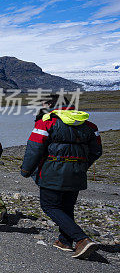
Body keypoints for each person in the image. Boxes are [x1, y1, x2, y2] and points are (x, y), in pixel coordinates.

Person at [21, 96, 102, 259]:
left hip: (53, 171)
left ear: (52, 105)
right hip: (77, 173)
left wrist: (26, 170)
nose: (42, 108)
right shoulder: (89, 125)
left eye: (44, 105)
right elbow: (97, 151)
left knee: (49, 206)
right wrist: (81, 165)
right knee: (67, 206)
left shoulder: (46, 122)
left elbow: (34, 149)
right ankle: (64, 241)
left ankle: (81, 239)